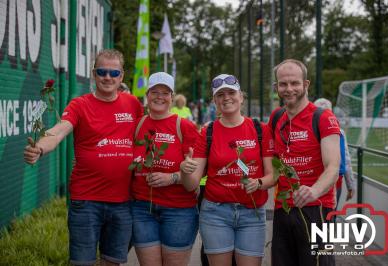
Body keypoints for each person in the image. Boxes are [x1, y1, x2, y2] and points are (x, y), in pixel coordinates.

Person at [23, 49, 144, 266]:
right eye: (102, 71)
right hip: (87, 201)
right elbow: (59, 131)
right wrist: (39, 148)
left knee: (112, 261)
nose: (108, 77)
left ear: (122, 76)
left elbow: (151, 132)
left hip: (123, 201)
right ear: (93, 73)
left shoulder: (134, 104)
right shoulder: (80, 105)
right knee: (82, 263)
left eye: (113, 73)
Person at [180, 74, 274, 266]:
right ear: (215, 101)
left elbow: (273, 174)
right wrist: (185, 170)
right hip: (216, 212)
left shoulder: (259, 129)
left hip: (251, 213)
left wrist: (259, 183)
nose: (226, 98)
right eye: (220, 95)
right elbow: (191, 185)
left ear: (241, 97)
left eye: (231, 92)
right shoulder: (208, 131)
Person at [265, 59, 340, 266]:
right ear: (276, 87)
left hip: (316, 208)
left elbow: (333, 167)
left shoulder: (323, 117)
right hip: (283, 209)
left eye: (295, 83)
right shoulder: (276, 116)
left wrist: (314, 191)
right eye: (283, 84)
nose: (289, 89)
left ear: (306, 84)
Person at [130, 72, 200, 266]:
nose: (159, 96)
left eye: (165, 92)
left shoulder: (184, 126)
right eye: (155, 91)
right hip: (142, 208)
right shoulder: (138, 125)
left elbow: (197, 171)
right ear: (147, 95)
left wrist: (173, 177)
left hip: (179, 210)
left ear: (172, 97)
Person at [314, 98, 355, 208]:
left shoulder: (310, 129)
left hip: (314, 181)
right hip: (335, 181)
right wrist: (350, 185)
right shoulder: (339, 131)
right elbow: (346, 159)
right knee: (330, 214)